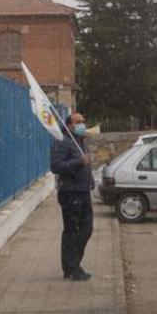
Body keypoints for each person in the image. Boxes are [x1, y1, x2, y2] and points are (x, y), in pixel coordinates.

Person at [51, 112, 95, 281]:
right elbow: (56, 166)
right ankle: (72, 268)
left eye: (83, 121)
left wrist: (90, 180)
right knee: (72, 231)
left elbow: (85, 165)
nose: (82, 124)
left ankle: (72, 265)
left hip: (83, 191)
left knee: (86, 230)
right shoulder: (62, 141)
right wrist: (79, 162)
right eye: (78, 122)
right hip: (70, 193)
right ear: (69, 126)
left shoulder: (80, 142)